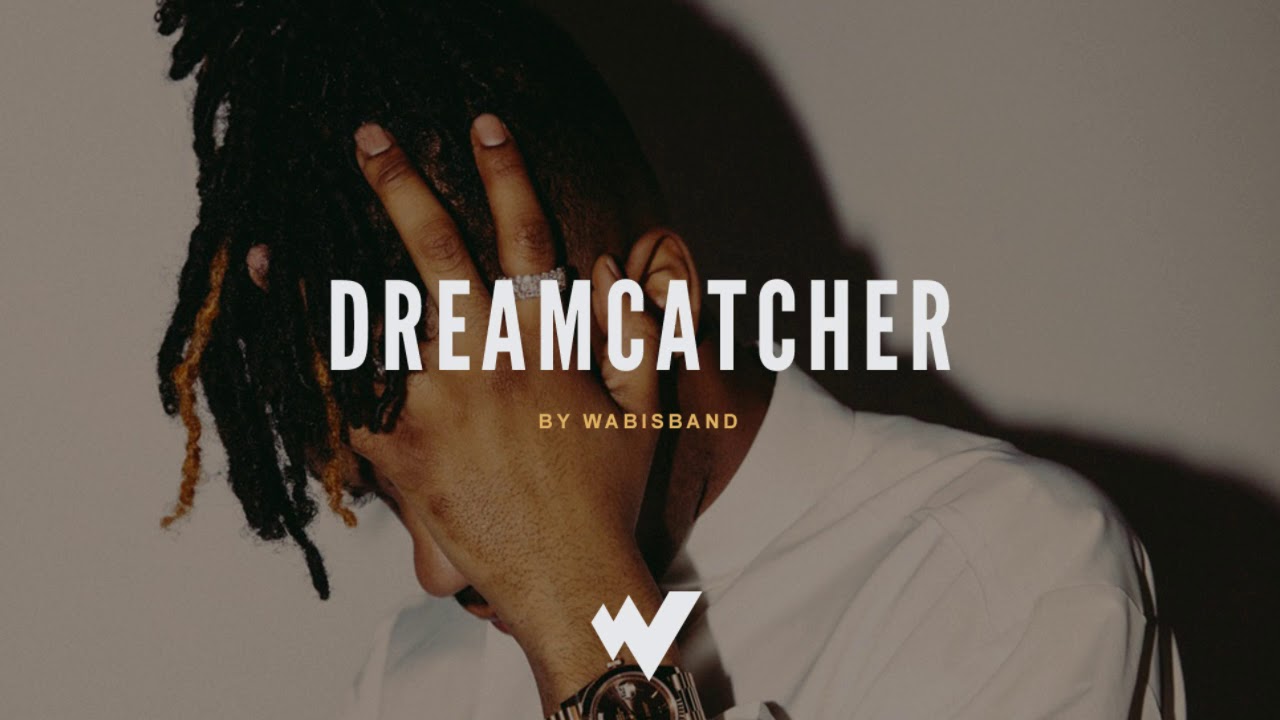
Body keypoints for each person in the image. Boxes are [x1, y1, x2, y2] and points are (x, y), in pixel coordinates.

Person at [152, 0, 1184, 718]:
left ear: (652, 308)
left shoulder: (1002, 580)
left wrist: (575, 604)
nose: (435, 569)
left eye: (492, 447)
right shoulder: (413, 681)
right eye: (397, 486)